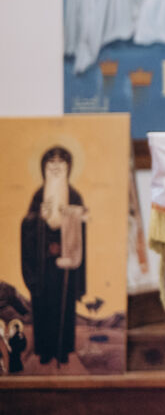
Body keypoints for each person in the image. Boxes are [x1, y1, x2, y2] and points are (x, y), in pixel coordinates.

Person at [21, 146, 88, 367]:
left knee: (64, 306)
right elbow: (27, 225)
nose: (56, 168)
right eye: (52, 163)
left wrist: (77, 218)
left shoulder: (74, 195)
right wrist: (38, 219)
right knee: (43, 306)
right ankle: (45, 351)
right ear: (44, 167)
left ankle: (63, 350)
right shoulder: (38, 195)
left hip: (66, 265)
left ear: (68, 167)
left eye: (61, 163)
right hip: (43, 265)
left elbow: (81, 232)